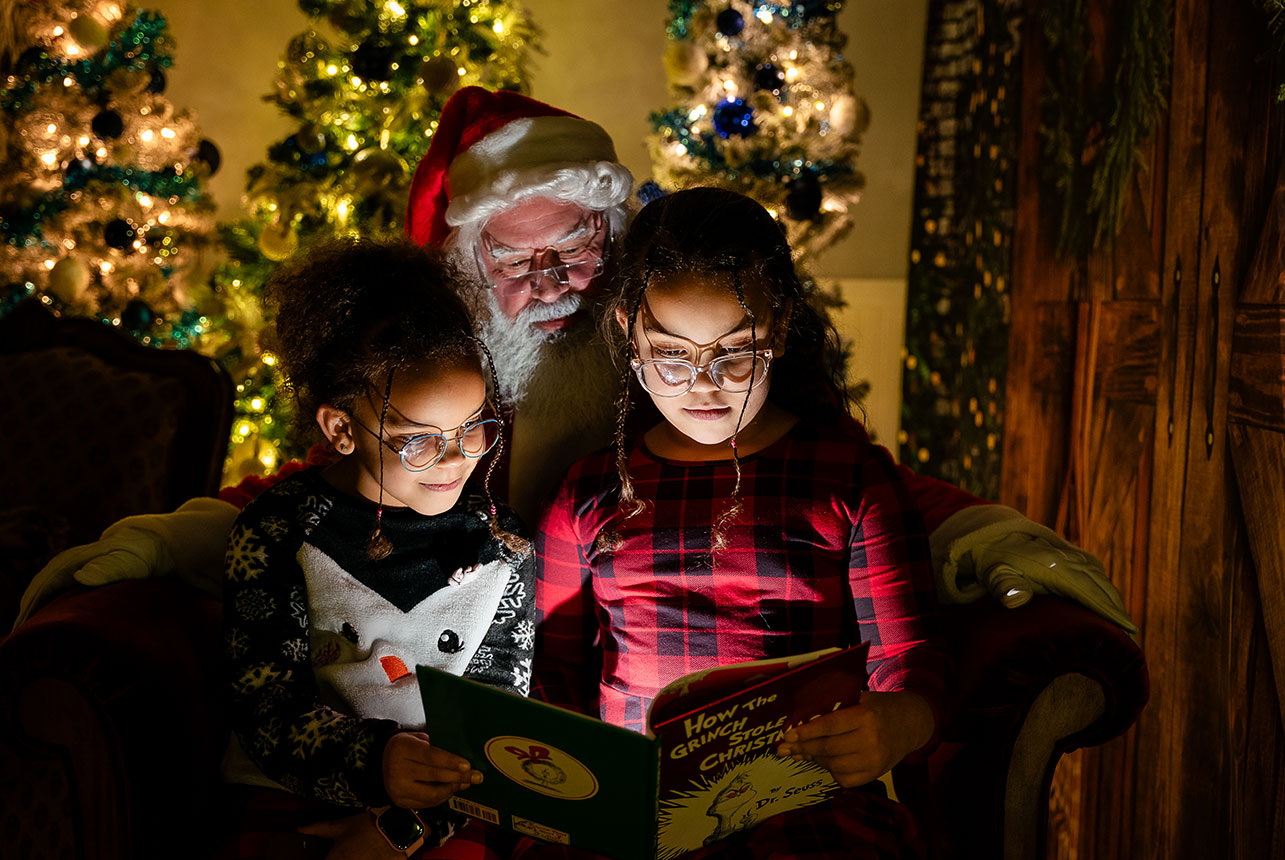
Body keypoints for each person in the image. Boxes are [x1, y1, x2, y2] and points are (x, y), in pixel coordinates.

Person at [14, 87, 1135, 649]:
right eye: (519, 254)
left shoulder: (669, 361)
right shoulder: (430, 383)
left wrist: (996, 543)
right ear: (461, 260)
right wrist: (159, 539)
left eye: (581, 247)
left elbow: (852, 483)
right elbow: (299, 509)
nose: (556, 278)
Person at [532, 188, 947, 859]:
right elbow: (551, 666)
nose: (703, 384)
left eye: (735, 354)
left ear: (779, 326)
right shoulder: (588, 494)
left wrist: (901, 720)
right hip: (636, 808)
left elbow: (908, 657)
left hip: (799, 802)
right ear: (624, 331)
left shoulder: (846, 478)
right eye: (669, 355)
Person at [217, 236, 532, 860]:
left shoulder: (501, 544)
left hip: (444, 813)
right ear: (340, 429)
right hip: (292, 793)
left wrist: (408, 826)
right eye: (417, 442)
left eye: (474, 430)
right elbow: (264, 704)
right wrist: (375, 762)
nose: (455, 461)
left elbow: (497, 721)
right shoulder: (277, 532)